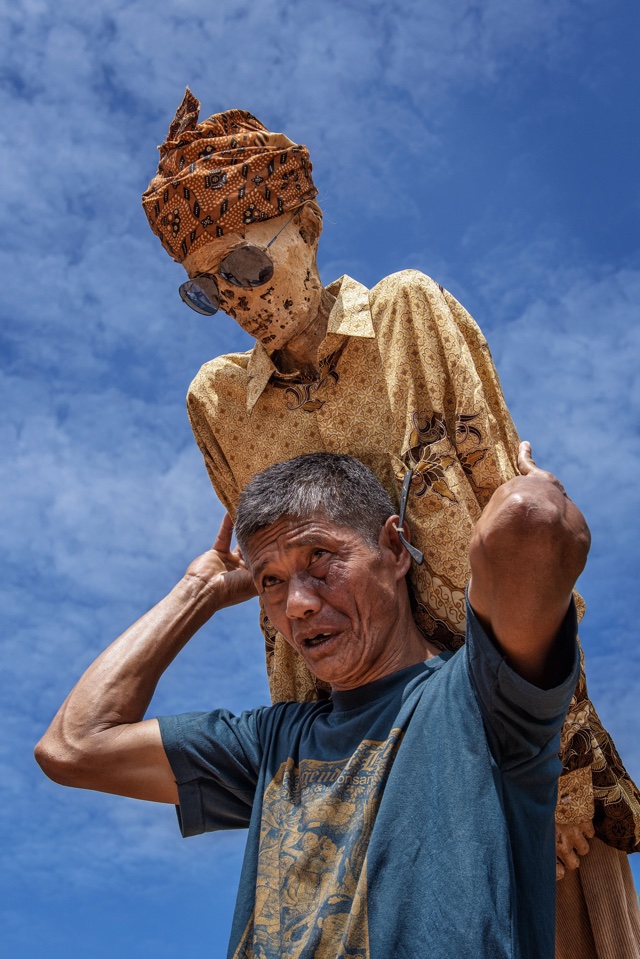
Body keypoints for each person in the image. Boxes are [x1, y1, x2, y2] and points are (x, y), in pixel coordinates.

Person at [141, 91, 640, 954]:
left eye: (248, 265)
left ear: (308, 226)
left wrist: (560, 775)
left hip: (505, 725)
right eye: (204, 288)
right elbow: (282, 608)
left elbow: (516, 541)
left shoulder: (408, 315)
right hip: (357, 767)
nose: (235, 300)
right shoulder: (219, 406)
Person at [36, 448, 588, 958]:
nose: (297, 603)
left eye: (319, 556)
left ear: (395, 549)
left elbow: (532, 520)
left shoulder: (482, 697)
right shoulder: (272, 745)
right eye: (270, 581)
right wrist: (199, 592)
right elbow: (73, 746)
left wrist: (536, 489)